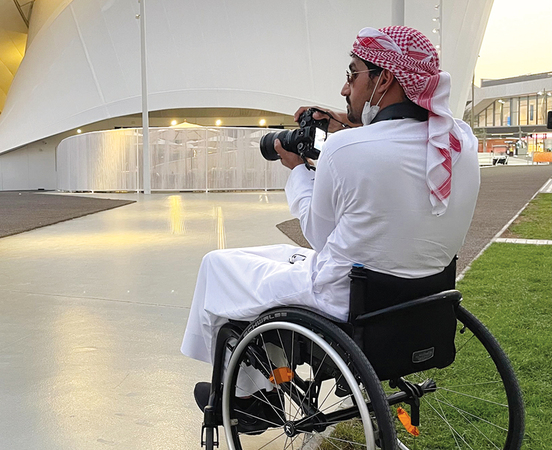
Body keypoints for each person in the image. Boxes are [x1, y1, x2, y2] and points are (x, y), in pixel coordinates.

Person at [181, 26, 480, 415]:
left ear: (384, 79)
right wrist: (352, 124)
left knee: (217, 266)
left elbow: (318, 236)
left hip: (343, 298)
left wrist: (299, 170)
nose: (344, 88)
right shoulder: (460, 142)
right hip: (421, 293)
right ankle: (263, 377)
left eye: (352, 75)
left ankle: (245, 395)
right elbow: (398, 144)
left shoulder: (344, 149)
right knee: (274, 257)